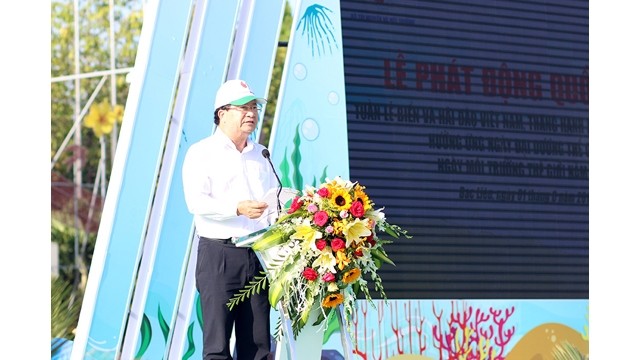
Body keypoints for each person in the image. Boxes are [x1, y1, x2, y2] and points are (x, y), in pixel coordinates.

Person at [182, 79, 277, 360]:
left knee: (259, 346)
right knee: (217, 347)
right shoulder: (201, 152)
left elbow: (274, 199)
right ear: (222, 113)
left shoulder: (261, 154)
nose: (251, 113)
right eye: (243, 108)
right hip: (218, 255)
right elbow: (196, 202)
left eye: (254, 107)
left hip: (258, 254)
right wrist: (237, 208)